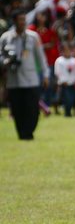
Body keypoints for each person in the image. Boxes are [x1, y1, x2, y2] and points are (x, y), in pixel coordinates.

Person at [0, 9, 49, 140]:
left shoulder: (33, 37)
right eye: (19, 20)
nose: (22, 22)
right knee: (17, 109)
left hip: (31, 79)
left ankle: (29, 132)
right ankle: (22, 134)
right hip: (13, 80)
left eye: (24, 19)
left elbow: (41, 57)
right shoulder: (6, 38)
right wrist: (6, 61)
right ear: (14, 21)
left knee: (32, 109)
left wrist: (45, 75)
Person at [54, 45, 75, 117]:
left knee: (72, 98)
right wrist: (62, 81)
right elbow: (58, 72)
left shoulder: (74, 60)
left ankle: (72, 111)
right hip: (64, 84)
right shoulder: (59, 60)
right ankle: (67, 113)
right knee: (66, 99)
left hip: (73, 83)